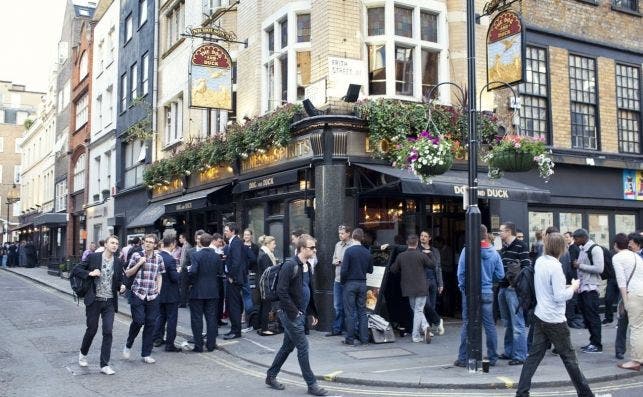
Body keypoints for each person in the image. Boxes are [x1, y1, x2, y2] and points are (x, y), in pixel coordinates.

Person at [515, 233, 594, 397]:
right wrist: (573, 287)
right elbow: (559, 297)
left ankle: (521, 393)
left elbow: (547, 288)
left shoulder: (540, 262)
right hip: (555, 319)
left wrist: (564, 287)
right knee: (569, 358)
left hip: (540, 315)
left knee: (534, 357)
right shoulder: (556, 267)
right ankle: (586, 394)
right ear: (561, 248)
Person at [265, 234, 327, 396]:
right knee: (303, 347)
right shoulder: (290, 265)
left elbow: (307, 290)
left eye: (315, 247)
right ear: (301, 249)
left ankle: (271, 376)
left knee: (287, 347)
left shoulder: (307, 265)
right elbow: (281, 291)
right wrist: (295, 312)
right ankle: (312, 384)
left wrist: (311, 311)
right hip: (289, 314)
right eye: (311, 247)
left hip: (300, 312)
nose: (314, 250)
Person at [454, 224, 504, 367]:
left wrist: (463, 288)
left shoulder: (467, 250)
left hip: (471, 292)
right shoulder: (494, 252)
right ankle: (493, 357)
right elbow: (500, 274)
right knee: (489, 325)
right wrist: (489, 281)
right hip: (487, 292)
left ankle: (463, 358)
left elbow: (461, 273)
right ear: (486, 234)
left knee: (468, 324)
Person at [77, 235, 125, 375]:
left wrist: (122, 286)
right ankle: (83, 353)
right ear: (106, 244)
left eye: (117, 243)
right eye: (112, 243)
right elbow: (77, 270)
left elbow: (120, 280)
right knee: (92, 329)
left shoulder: (118, 261)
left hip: (109, 301)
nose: (115, 245)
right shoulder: (94, 257)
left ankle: (104, 365)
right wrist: (90, 273)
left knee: (108, 331)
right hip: (94, 300)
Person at [123, 234, 165, 364]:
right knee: (138, 320)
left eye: (150, 242)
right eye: (146, 241)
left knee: (150, 324)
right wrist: (139, 263)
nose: (147, 244)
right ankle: (128, 344)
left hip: (152, 295)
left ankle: (146, 353)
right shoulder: (137, 256)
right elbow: (128, 273)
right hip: (138, 293)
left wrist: (159, 290)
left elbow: (159, 275)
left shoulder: (159, 258)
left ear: (155, 245)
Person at [498, 221, 531, 365]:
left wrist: (516, 284)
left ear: (509, 231)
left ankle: (520, 356)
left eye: (501, 231)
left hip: (514, 290)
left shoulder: (521, 246)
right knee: (508, 323)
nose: (499, 233)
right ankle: (509, 351)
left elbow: (527, 267)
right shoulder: (502, 248)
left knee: (517, 323)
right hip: (503, 288)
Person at [390, 235, 434, 343]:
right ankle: (416, 335)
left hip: (408, 288)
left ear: (407, 243)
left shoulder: (401, 256)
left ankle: (424, 327)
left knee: (416, 310)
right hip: (421, 287)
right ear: (417, 243)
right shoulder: (421, 255)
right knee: (418, 310)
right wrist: (430, 254)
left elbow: (393, 270)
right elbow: (432, 265)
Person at [188, 233, 225, 352]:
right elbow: (220, 271)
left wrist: (190, 279)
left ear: (200, 242)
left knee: (197, 319)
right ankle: (211, 345)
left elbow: (193, 271)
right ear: (210, 242)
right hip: (213, 291)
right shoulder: (216, 256)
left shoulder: (196, 255)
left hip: (197, 291)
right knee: (211, 319)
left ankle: (198, 346)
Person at [572, 228, 604, 353]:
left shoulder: (595, 249)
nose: (574, 241)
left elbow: (599, 268)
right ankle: (592, 342)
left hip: (591, 288)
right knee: (587, 317)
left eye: (576, 238)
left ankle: (597, 344)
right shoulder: (582, 249)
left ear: (583, 238)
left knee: (593, 317)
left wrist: (580, 265)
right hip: (583, 288)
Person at [614, 233, 643, 368]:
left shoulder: (618, 257)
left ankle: (636, 361)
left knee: (635, 328)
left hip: (634, 294)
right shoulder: (636, 256)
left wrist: (625, 302)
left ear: (615, 245)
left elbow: (621, 282)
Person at [340, 228, 373, 346]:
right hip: (362, 284)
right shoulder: (367, 252)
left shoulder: (349, 251)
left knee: (350, 312)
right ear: (362, 237)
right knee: (362, 312)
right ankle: (364, 339)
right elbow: (371, 270)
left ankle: (350, 339)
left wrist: (343, 282)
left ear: (353, 237)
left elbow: (343, 271)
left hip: (350, 283)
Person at [152, 234, 182, 352]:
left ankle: (157, 338)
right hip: (171, 295)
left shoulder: (156, 257)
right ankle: (170, 344)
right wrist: (179, 272)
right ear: (173, 244)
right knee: (171, 319)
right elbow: (174, 278)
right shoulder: (170, 259)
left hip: (159, 292)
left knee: (160, 317)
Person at [224, 222, 249, 340]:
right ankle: (233, 329)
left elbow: (236, 261)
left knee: (233, 305)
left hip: (234, 279)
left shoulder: (236, 242)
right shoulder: (234, 242)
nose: (225, 232)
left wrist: (230, 275)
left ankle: (236, 331)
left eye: (226, 230)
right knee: (231, 304)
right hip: (234, 278)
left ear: (232, 231)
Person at [328, 225, 353, 337]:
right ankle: (337, 329)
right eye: (339, 233)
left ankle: (350, 330)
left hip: (348, 280)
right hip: (337, 279)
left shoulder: (353, 245)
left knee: (349, 305)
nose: (340, 235)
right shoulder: (337, 245)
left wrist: (344, 262)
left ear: (348, 233)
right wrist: (336, 261)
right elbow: (333, 259)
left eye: (342, 233)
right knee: (337, 305)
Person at [419, 230, 444, 336]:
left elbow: (438, 267)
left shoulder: (435, 251)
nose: (423, 238)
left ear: (429, 238)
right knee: (426, 304)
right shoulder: (417, 249)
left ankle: (429, 328)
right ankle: (438, 321)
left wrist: (441, 283)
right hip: (422, 280)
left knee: (432, 305)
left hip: (433, 280)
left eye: (425, 236)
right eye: (421, 236)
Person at [257, 235, 279, 335]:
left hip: (262, 283)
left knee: (263, 306)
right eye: (273, 243)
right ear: (268, 244)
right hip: (265, 284)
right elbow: (268, 272)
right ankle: (264, 329)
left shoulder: (263, 253)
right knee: (266, 306)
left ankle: (262, 326)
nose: (275, 245)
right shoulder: (265, 255)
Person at [242, 228, 259, 331]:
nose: (246, 236)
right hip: (243, 273)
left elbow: (255, 260)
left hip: (251, 272)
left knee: (249, 295)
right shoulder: (240, 246)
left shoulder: (255, 247)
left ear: (251, 236)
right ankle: (243, 314)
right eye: (245, 235)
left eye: (248, 235)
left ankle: (248, 316)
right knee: (243, 296)